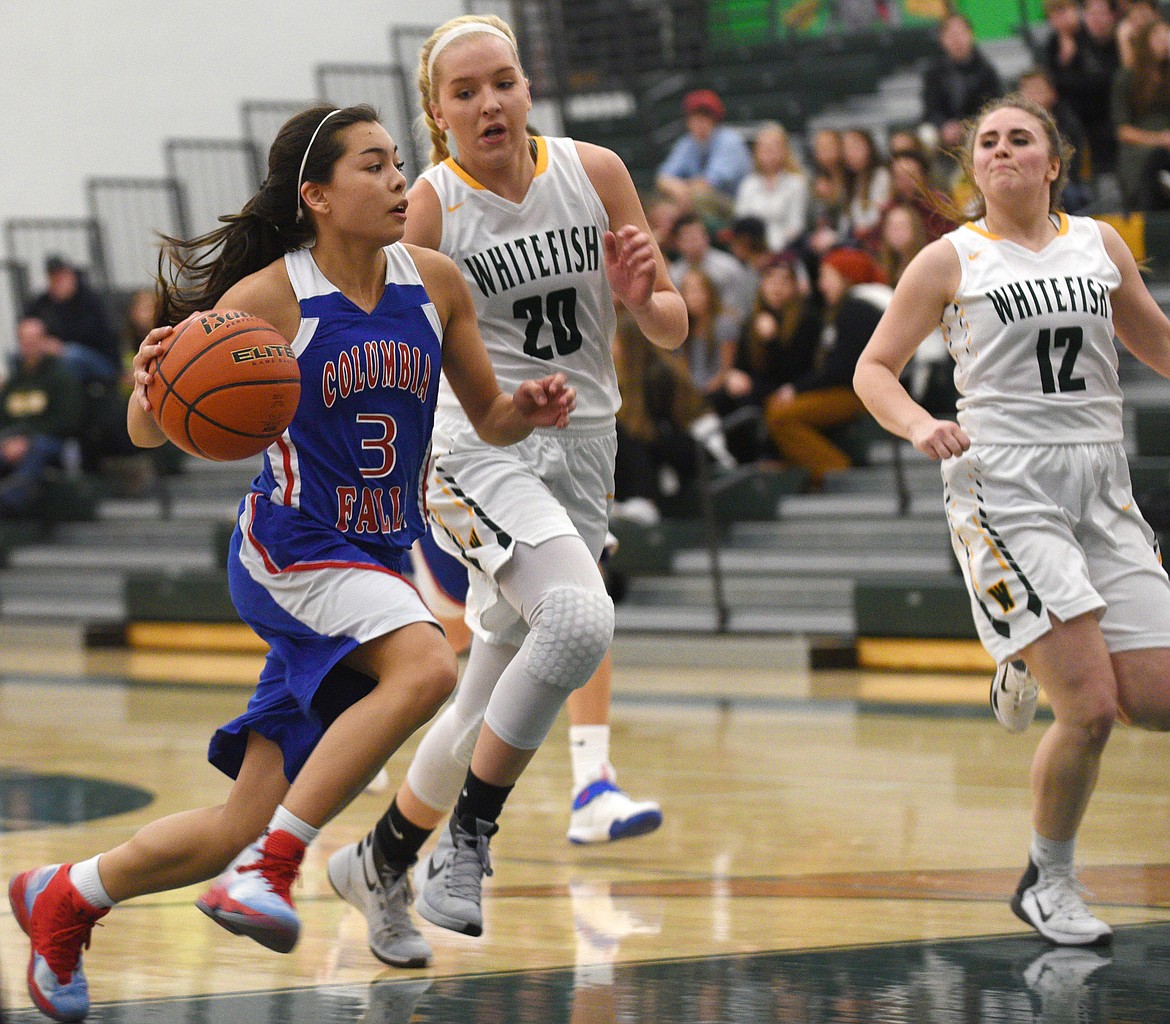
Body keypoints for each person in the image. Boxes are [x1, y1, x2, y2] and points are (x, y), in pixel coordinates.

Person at [7, 103, 575, 1022]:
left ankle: (66, 895)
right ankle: (274, 870)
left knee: (232, 821)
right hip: (292, 548)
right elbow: (149, 428)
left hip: (375, 561)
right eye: (374, 167)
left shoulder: (435, 281)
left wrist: (530, 407)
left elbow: (488, 413)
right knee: (428, 662)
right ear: (315, 195)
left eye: (401, 164)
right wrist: (157, 377)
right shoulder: (270, 297)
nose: (400, 181)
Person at [323, 13, 687, 968]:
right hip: (473, 449)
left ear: (529, 88)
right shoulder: (433, 208)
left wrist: (646, 293)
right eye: (465, 91)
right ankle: (469, 842)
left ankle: (380, 857)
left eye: (504, 82)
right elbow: (394, 348)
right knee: (578, 620)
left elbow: (671, 328)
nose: (490, 102)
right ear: (436, 117)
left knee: (483, 697)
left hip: (584, 449)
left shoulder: (596, 171)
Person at [854, 93, 1170, 947]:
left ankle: (1023, 649)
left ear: (1053, 161)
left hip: (1102, 482)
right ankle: (1048, 879)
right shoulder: (949, 258)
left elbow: (1157, 342)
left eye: (1019, 138)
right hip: (1005, 484)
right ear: (973, 167)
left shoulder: (1099, 243)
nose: (1002, 150)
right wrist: (921, 425)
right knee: (1093, 709)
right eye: (986, 141)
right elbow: (873, 370)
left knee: (1158, 700)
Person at [407, 529, 665, 843]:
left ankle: (592, 780)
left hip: (548, 491)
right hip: (467, 494)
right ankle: (388, 847)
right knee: (459, 676)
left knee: (584, 595)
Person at [764, 246, 889, 488]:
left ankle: (834, 470)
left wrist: (797, 389)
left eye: (826, 276)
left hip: (859, 393)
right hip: (854, 390)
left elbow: (842, 367)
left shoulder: (857, 307)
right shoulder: (849, 306)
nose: (821, 285)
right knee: (777, 409)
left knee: (780, 415)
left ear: (846, 276)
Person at [0, 317, 82, 518]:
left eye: (34, 339)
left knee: (37, 449)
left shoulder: (61, 376)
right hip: (12, 440)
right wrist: (9, 441)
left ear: (45, 340)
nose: (29, 346)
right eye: (24, 340)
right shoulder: (14, 380)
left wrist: (26, 440)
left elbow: (68, 420)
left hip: (51, 441)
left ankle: (9, 504)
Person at [1042, 0, 1120, 180]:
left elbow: (1106, 79)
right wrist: (1065, 63)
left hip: (1104, 110)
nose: (1061, 19)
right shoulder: (1053, 44)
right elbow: (1053, 84)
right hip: (1075, 114)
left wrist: (1068, 71)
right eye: (1055, 15)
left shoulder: (1092, 36)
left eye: (1065, 11)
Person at [654, 89, 752, 222]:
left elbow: (709, 183)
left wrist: (683, 190)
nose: (700, 123)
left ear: (714, 120)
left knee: (699, 197)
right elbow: (662, 178)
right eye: (695, 118)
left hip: (736, 206)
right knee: (661, 203)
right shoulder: (687, 143)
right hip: (693, 197)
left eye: (705, 117)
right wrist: (678, 189)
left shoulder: (729, 140)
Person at [24, 255, 122, 384]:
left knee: (71, 355)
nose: (57, 282)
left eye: (61, 277)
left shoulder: (90, 300)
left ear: (71, 276)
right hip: (52, 353)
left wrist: (59, 347)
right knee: (17, 354)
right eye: (53, 278)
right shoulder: (42, 303)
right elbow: (27, 324)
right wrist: (43, 343)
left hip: (101, 361)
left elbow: (93, 335)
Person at [920, 14, 1004, 158]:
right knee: (926, 135)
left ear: (971, 35)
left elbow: (994, 107)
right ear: (942, 39)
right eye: (951, 34)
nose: (956, 39)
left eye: (960, 32)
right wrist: (943, 126)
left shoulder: (986, 71)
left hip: (977, 126)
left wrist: (965, 125)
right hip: (944, 131)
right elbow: (930, 109)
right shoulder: (933, 73)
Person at [1112, 16, 1170, 211]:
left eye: (1166, 34)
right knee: (1154, 160)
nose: (1164, 39)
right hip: (1141, 147)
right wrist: (1160, 139)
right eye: (1157, 34)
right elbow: (1123, 131)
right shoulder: (1127, 79)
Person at [732, 122, 811, 253]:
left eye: (774, 146)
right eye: (764, 147)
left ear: (785, 150)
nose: (769, 151)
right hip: (752, 252)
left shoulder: (797, 184)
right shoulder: (748, 184)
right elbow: (741, 222)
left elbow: (796, 227)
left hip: (785, 251)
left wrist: (773, 251)